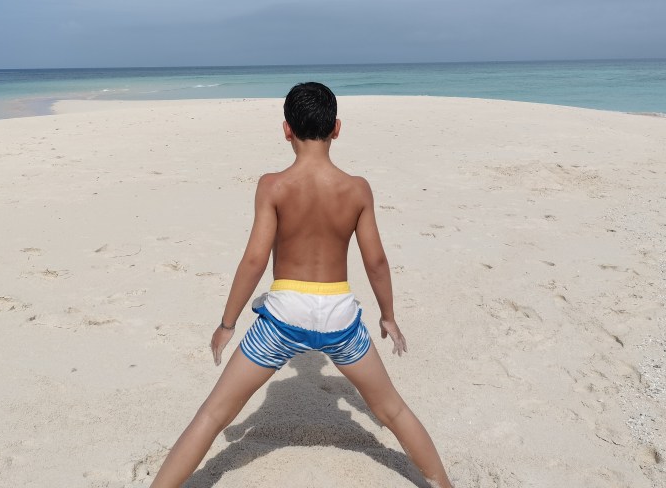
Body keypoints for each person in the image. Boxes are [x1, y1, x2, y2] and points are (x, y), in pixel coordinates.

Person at [150, 82, 453, 487]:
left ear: (286, 129)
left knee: (213, 414)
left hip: (281, 320)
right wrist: (388, 316)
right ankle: (443, 484)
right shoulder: (357, 188)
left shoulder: (273, 185)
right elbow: (376, 261)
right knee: (393, 411)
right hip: (340, 319)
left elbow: (255, 258)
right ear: (337, 128)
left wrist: (227, 323)